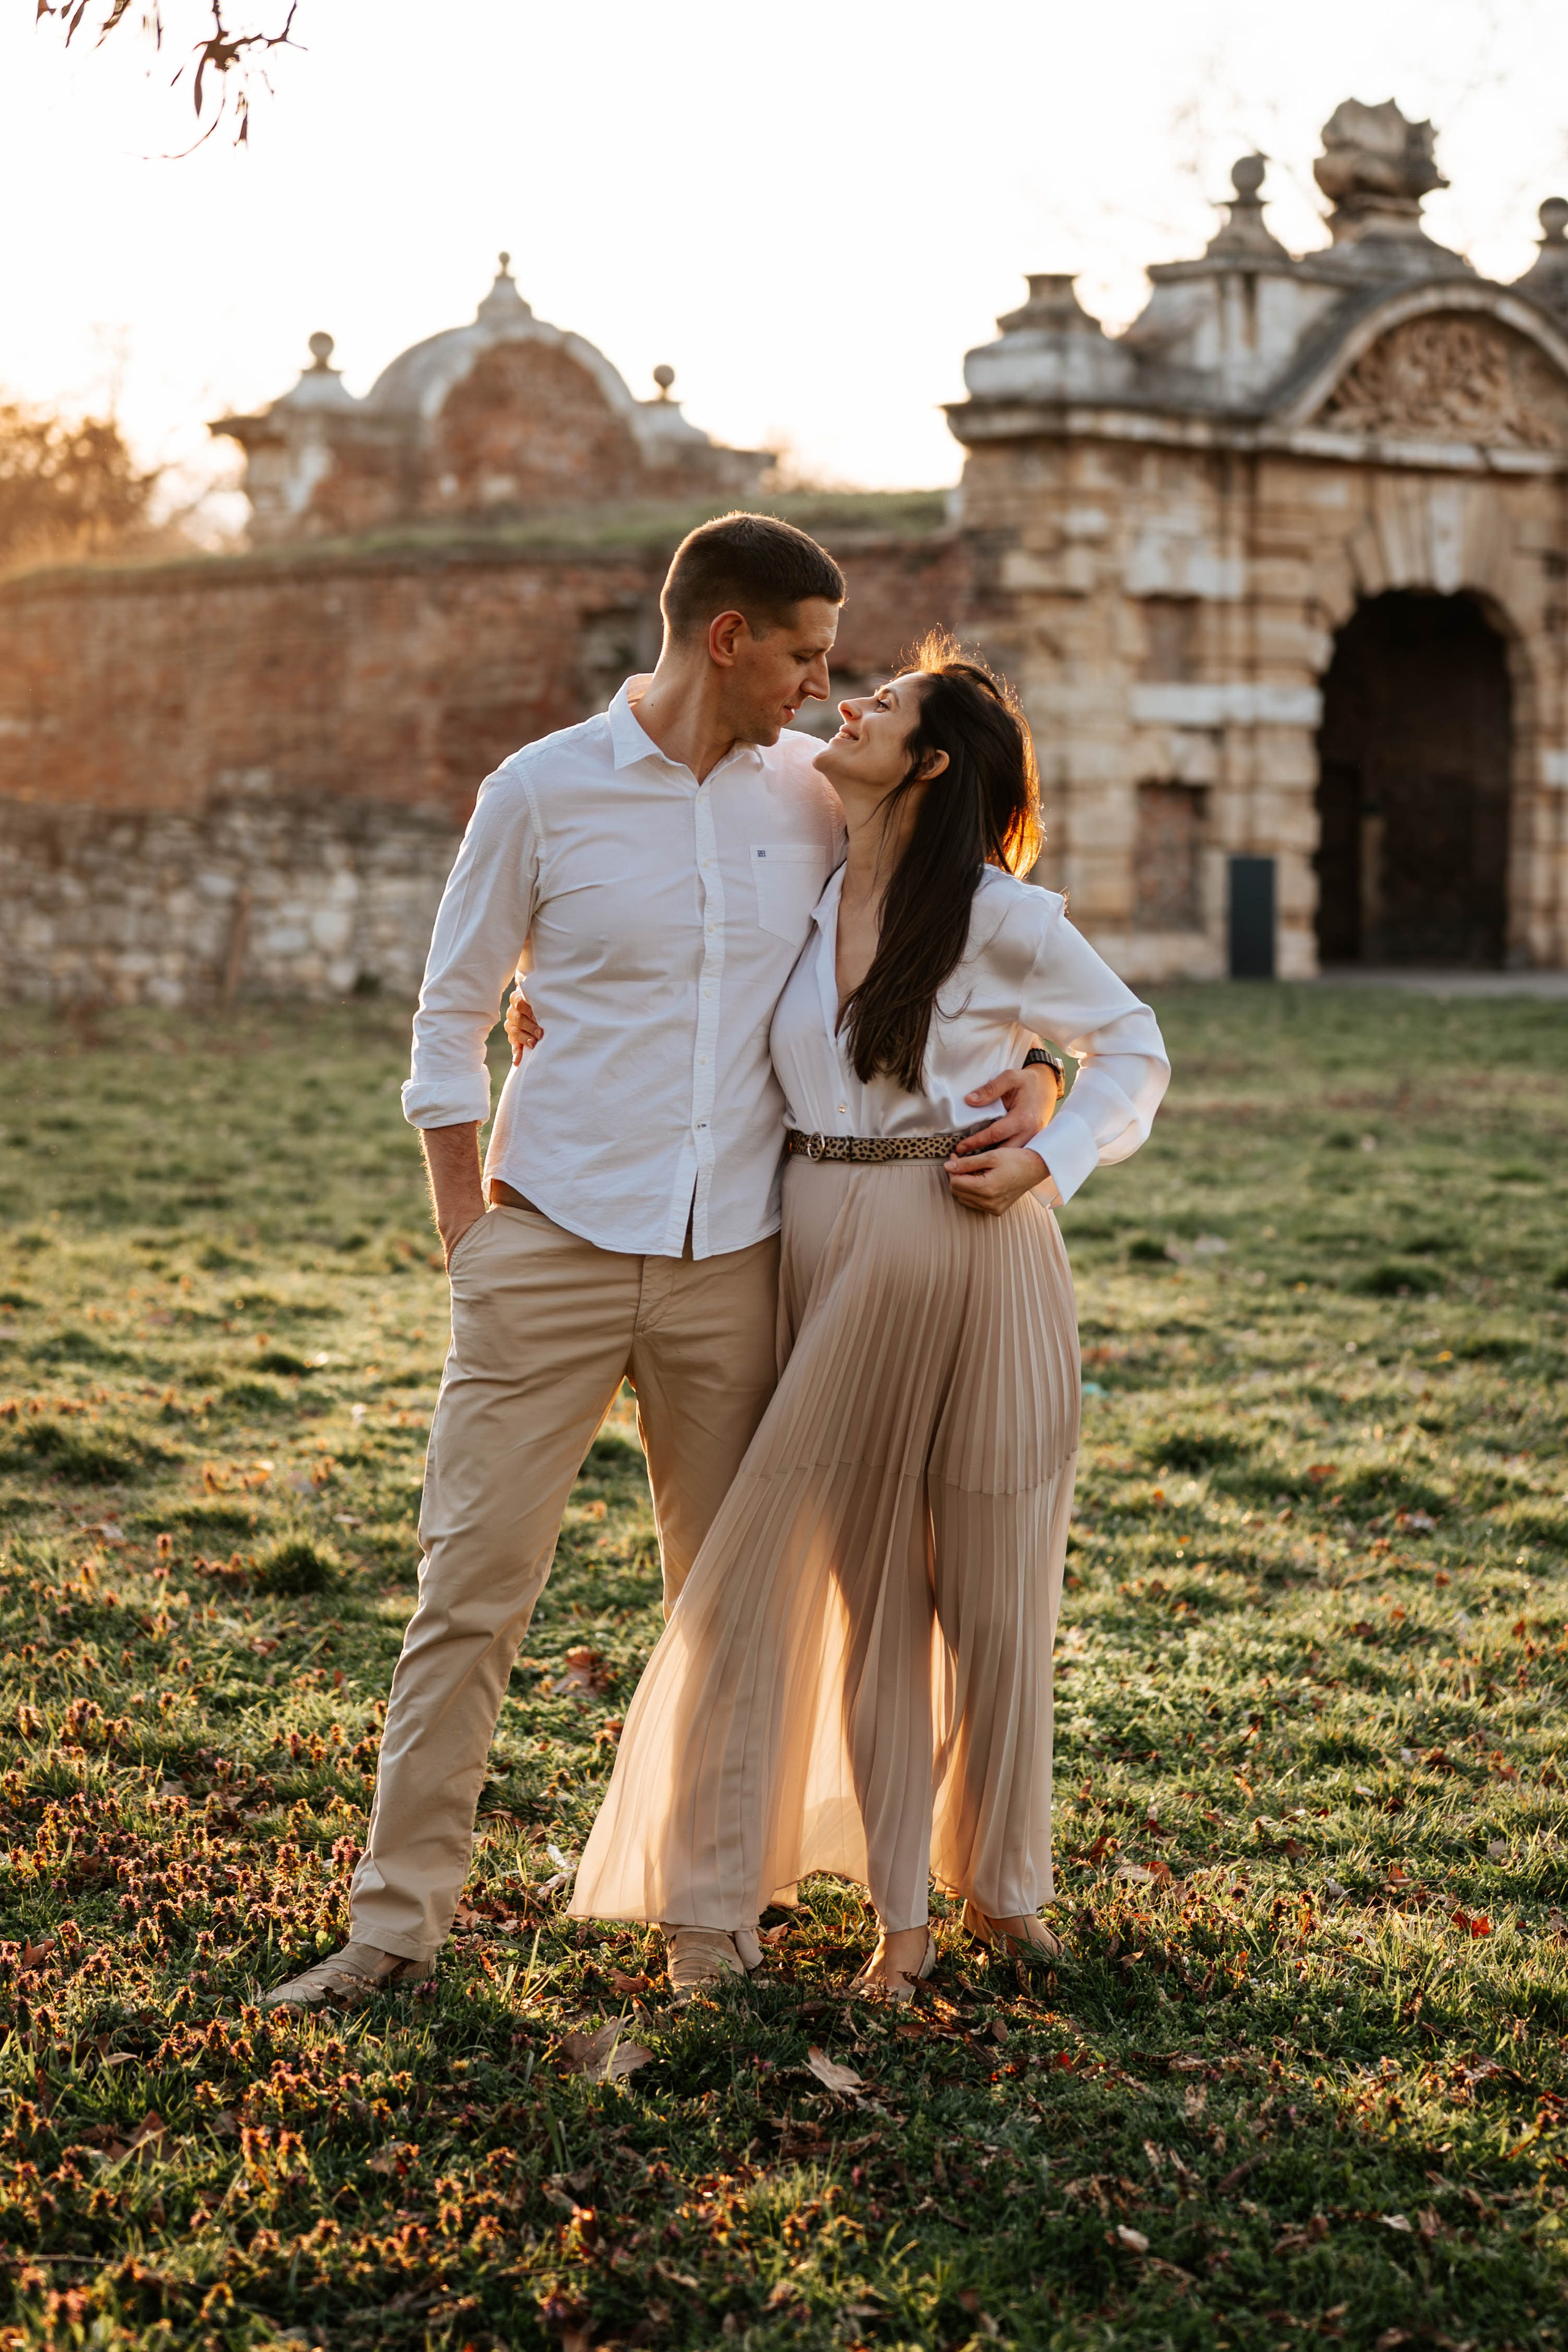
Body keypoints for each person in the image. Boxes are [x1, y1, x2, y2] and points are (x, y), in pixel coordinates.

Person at [262, 516, 1059, 2010]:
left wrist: (1047, 1080)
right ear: (726, 639)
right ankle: (394, 1930)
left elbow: (951, 940)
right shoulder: (541, 792)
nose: (830, 692)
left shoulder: (816, 804)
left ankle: (713, 1928)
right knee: (471, 1594)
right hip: (548, 1244)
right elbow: (448, 1017)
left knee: (735, 1604)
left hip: (738, 1263)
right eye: (810, 656)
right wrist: (466, 1231)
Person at [568, 639, 1169, 1997]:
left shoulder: (995, 912)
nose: (848, 704)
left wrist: (1049, 1142)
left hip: (967, 1240)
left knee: (994, 1596)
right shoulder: (813, 877)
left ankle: (1002, 1892)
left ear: (932, 762)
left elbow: (1131, 1041)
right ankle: (900, 1916)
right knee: (869, 1590)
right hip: (818, 1247)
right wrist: (548, 998)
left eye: (884, 705)